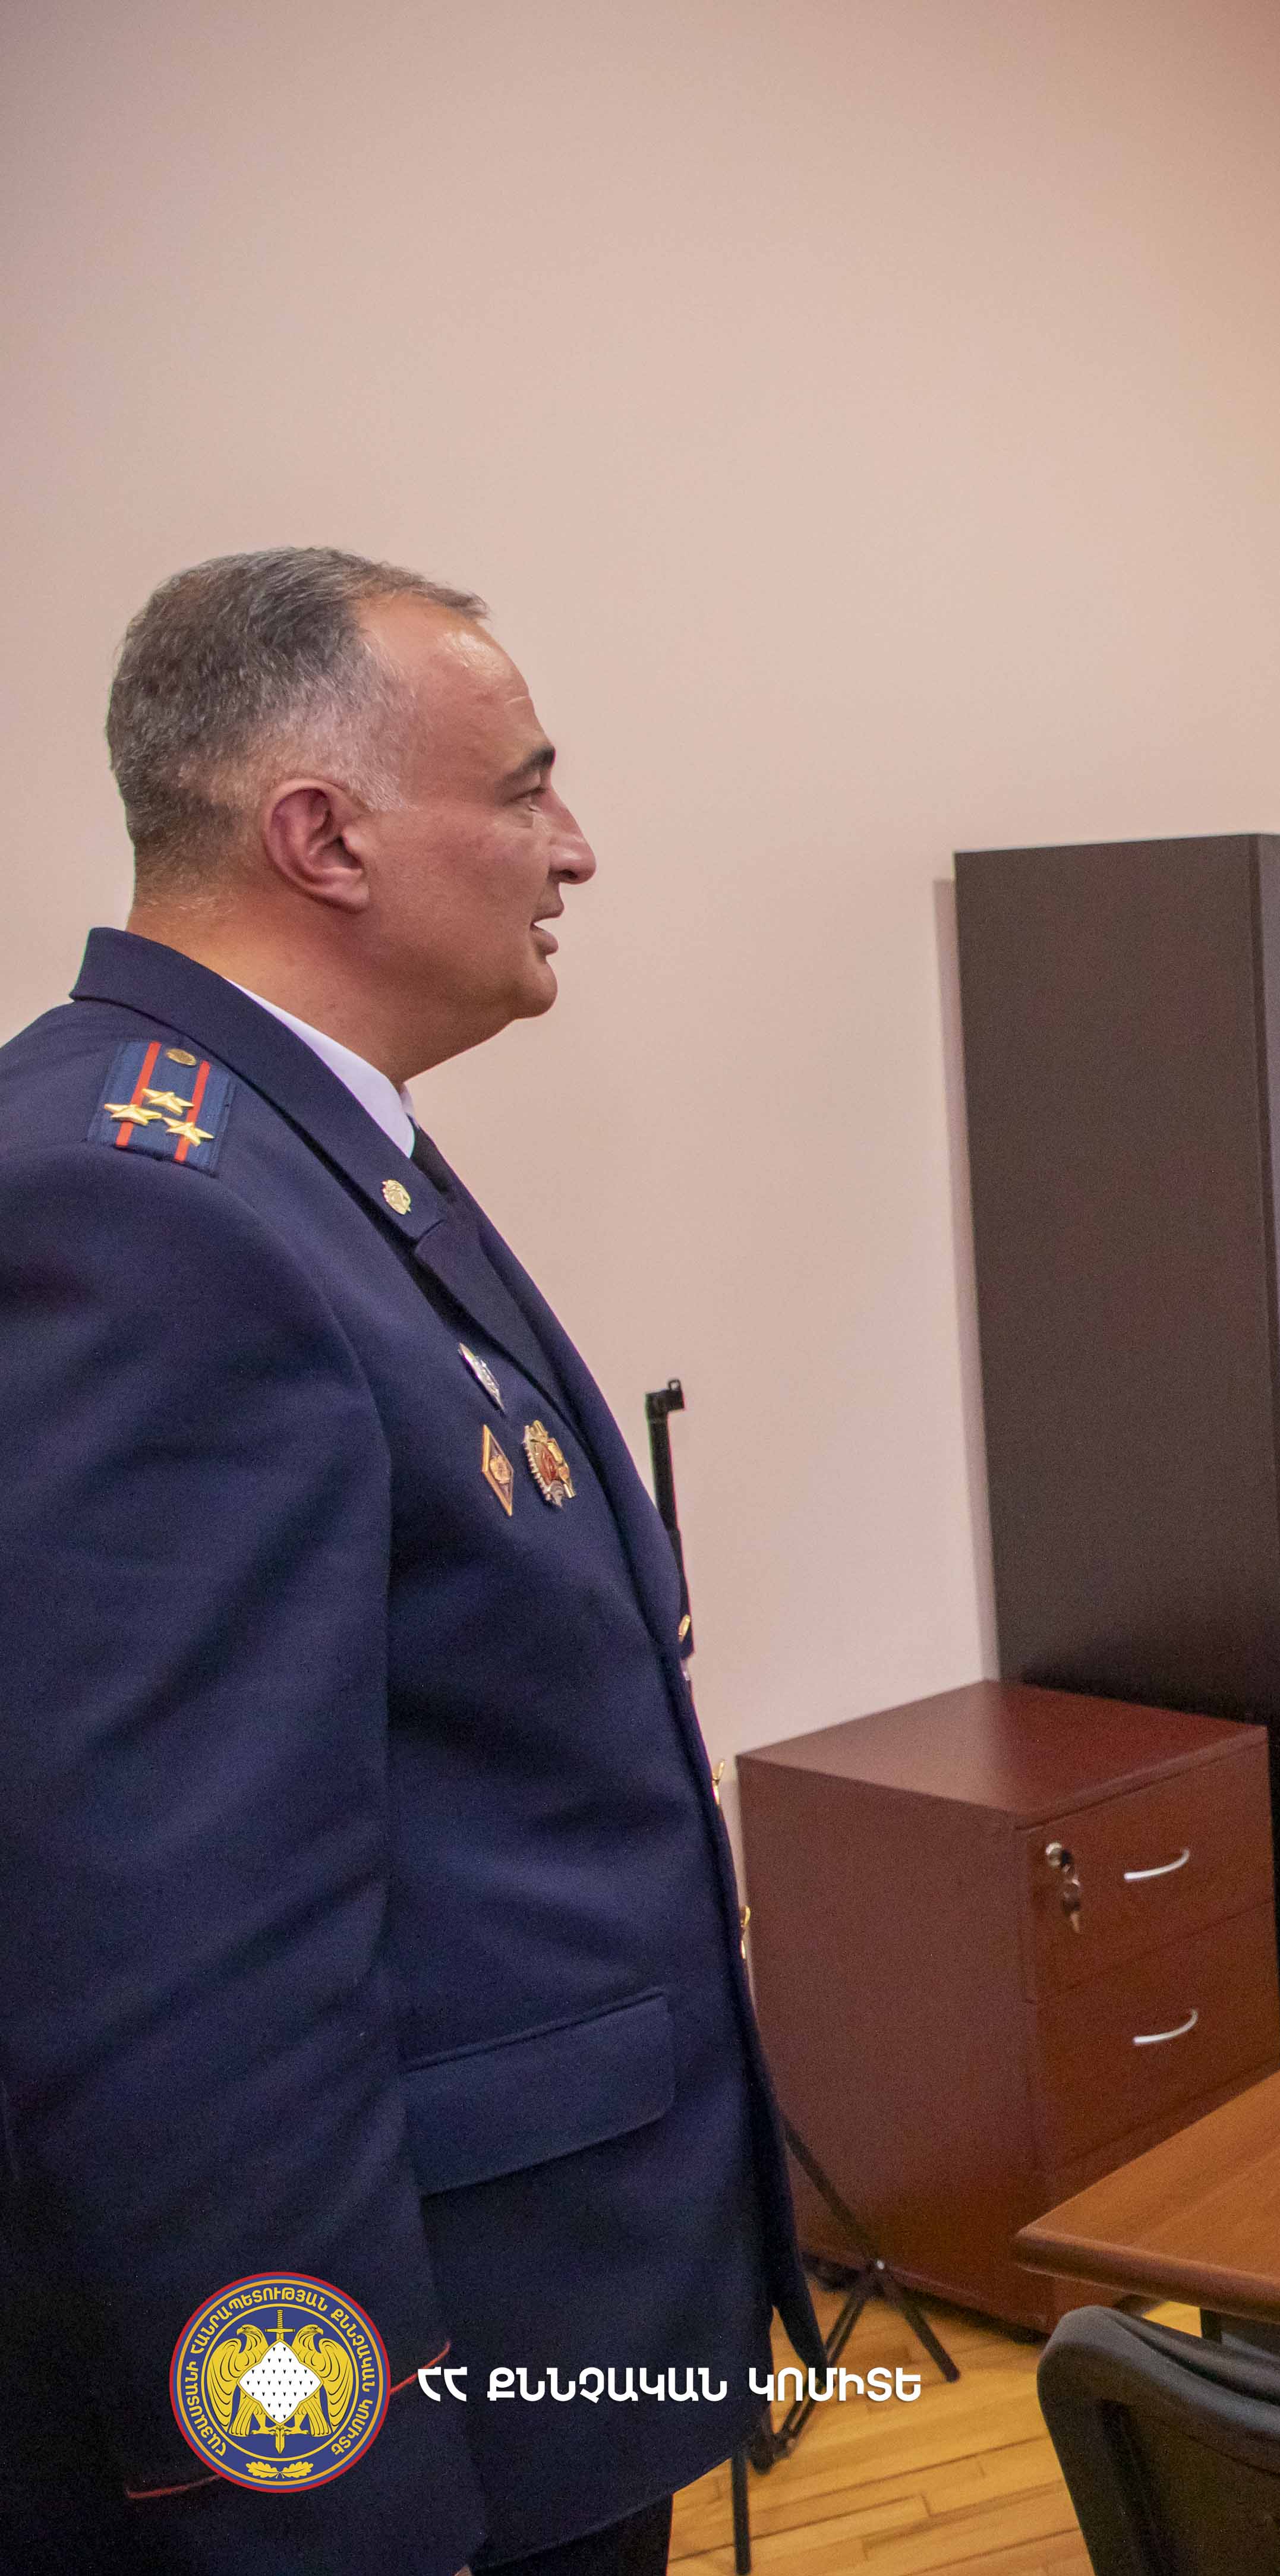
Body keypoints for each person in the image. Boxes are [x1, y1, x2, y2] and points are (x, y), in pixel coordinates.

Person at [0, 551, 818, 2575]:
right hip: (430, 2407)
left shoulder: (290, 1146)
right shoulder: (144, 1209)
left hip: (547, 2317)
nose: (577, 846)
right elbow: (185, 1981)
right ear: (324, 837)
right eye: (526, 788)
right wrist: (322, 2491)